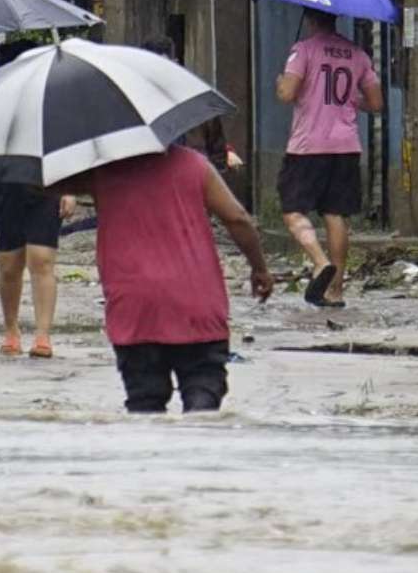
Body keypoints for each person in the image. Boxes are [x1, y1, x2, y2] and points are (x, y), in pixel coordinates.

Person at [67, 146, 274, 413]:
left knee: (145, 402)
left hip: (135, 307)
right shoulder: (194, 164)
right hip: (196, 301)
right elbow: (237, 218)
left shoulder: (102, 172)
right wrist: (259, 268)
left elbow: (43, 185)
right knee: (203, 391)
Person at [275, 9, 383, 308]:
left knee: (293, 210)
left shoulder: (303, 50)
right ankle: (335, 292)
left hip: (308, 146)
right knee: (335, 216)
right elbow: (376, 102)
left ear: (310, 20)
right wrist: (351, 101)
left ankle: (320, 262)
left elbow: (288, 93)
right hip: (346, 145)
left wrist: (282, 82)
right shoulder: (357, 55)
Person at [0, 182, 77, 358]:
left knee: (41, 259)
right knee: (9, 265)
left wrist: (70, 191)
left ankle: (43, 335)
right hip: (4, 186)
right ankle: (11, 330)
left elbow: (62, 154)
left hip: (47, 186)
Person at [139, 37, 245, 175]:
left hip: (192, 181)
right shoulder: (135, 105)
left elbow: (217, 154)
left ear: (174, 64)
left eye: (163, 66)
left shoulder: (198, 102)